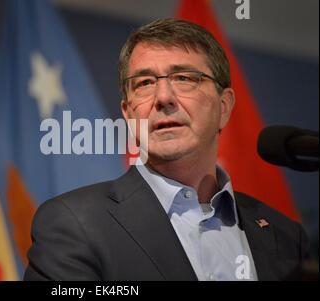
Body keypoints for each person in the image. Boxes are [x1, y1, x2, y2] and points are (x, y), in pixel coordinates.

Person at [23, 19, 310, 281]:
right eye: (145, 83)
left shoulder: (285, 235)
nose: (163, 97)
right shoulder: (73, 224)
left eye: (184, 78)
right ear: (128, 113)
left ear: (224, 107)